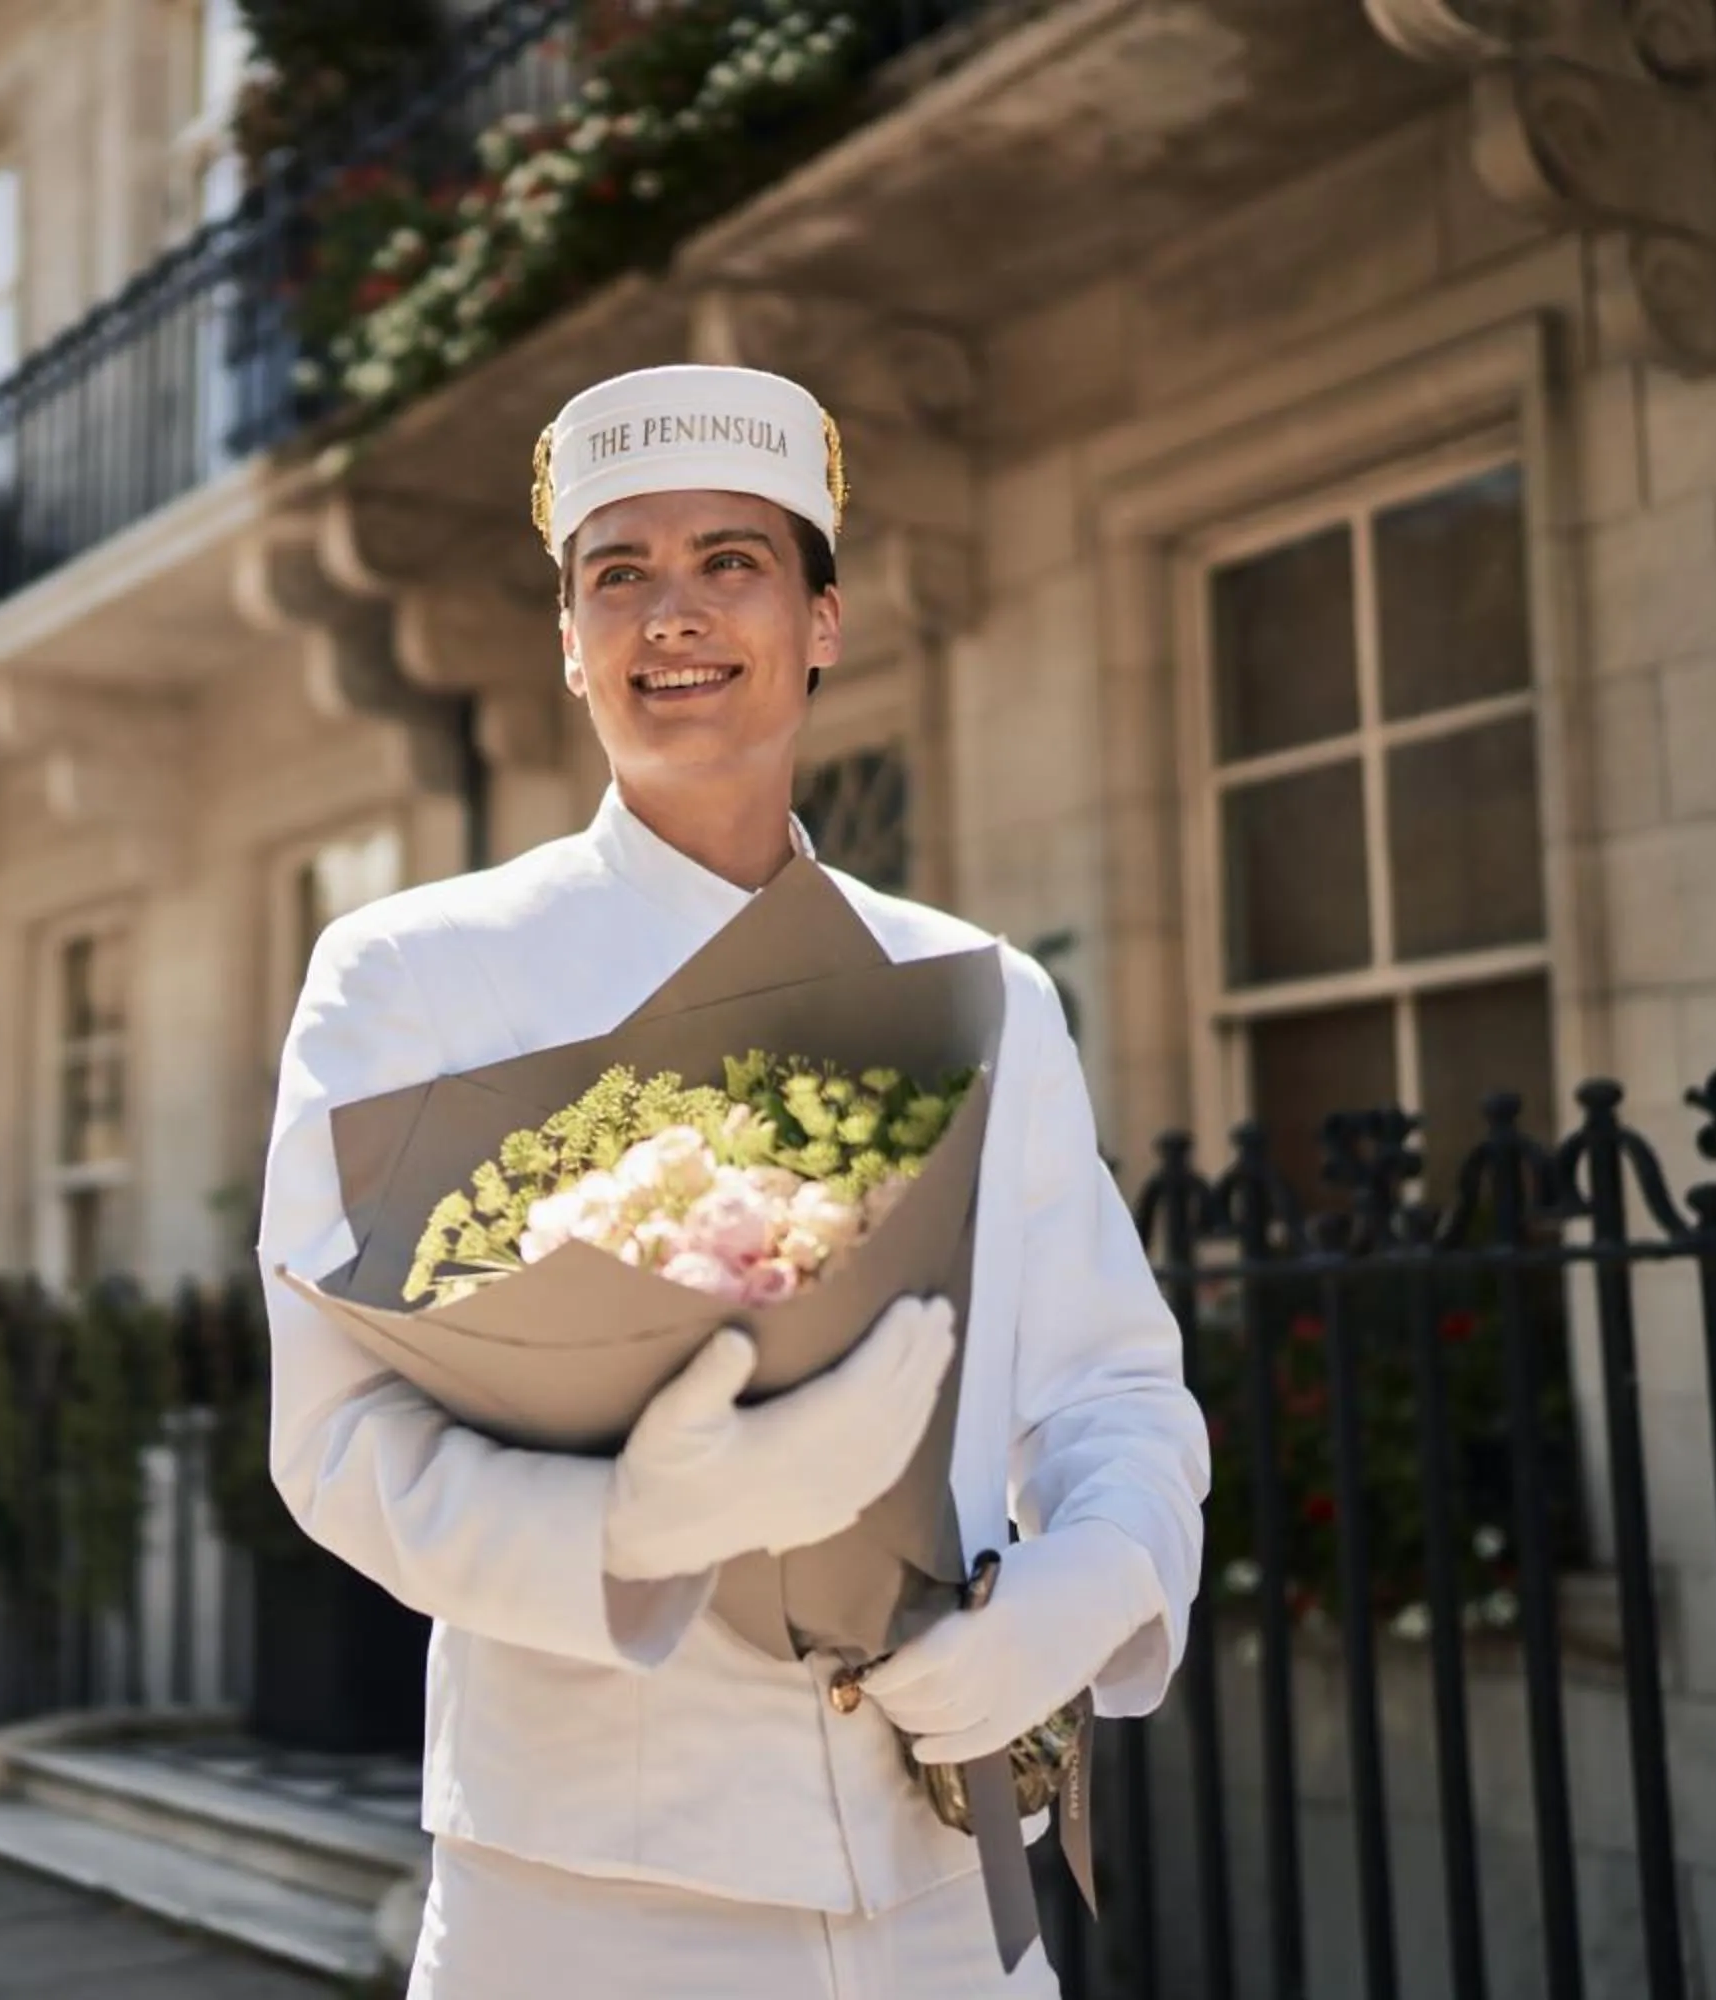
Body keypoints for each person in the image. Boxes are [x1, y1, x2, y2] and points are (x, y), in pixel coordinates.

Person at [257, 363, 1208, 1997]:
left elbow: (1111, 1388)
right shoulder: (413, 974)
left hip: (942, 1892)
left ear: (824, 620)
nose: (672, 614)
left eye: (730, 562)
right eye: (617, 574)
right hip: (584, 1902)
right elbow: (341, 1441)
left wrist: (1084, 1588)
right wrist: (634, 1524)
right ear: (570, 643)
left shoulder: (987, 995)